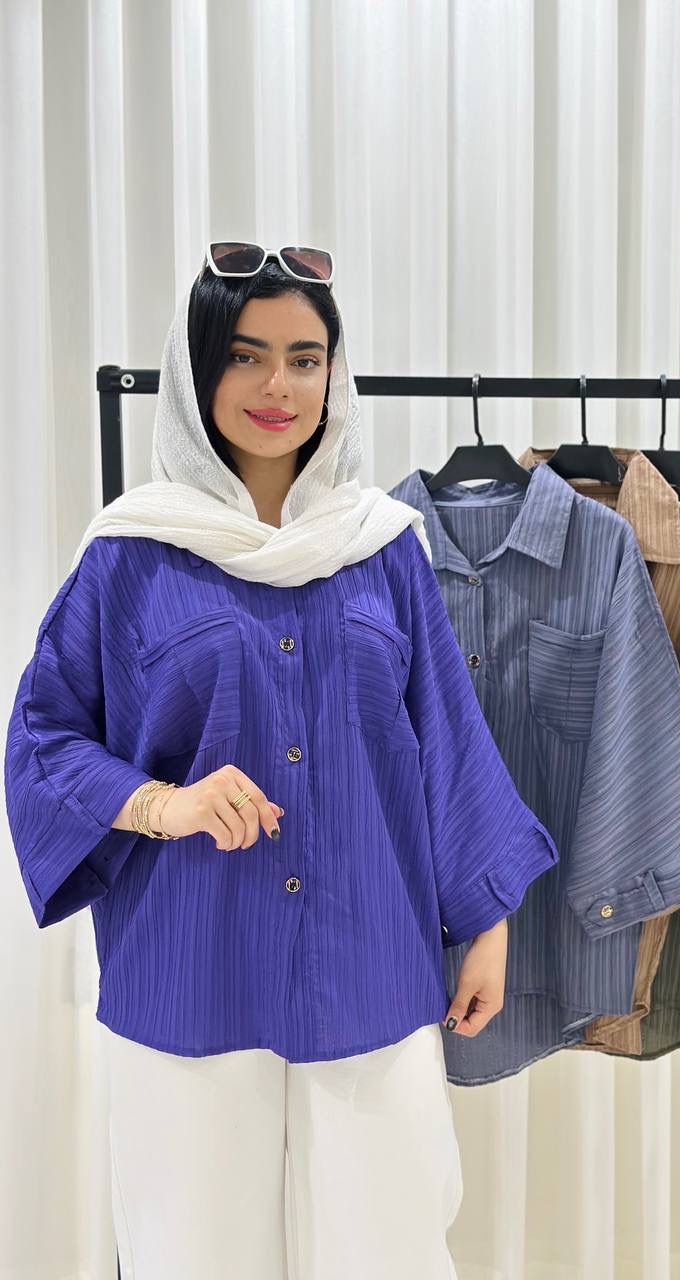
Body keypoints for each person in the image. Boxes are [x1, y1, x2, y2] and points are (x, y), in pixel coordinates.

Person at [4, 242, 560, 1278]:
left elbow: (446, 734)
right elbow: (43, 739)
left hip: (370, 961)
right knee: (193, 1254)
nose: (278, 387)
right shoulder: (129, 555)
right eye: (246, 355)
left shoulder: (384, 547)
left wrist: (486, 923)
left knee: (387, 1248)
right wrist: (162, 803)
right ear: (196, 370)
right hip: (191, 967)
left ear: (333, 376)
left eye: (305, 359)